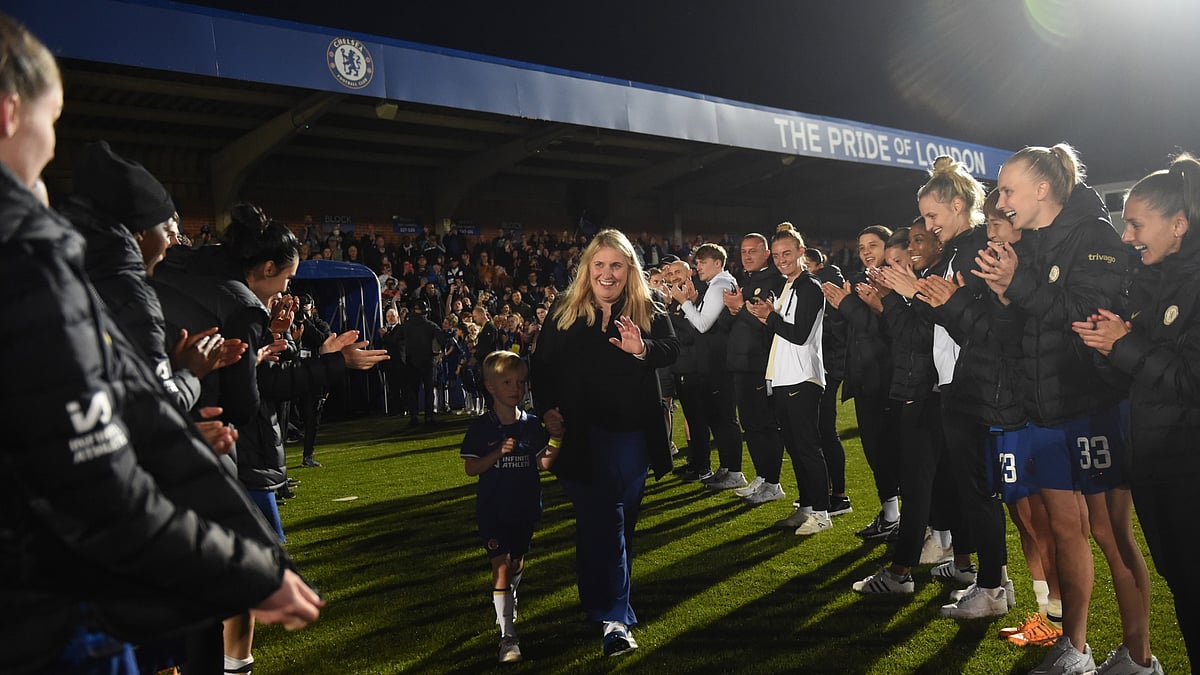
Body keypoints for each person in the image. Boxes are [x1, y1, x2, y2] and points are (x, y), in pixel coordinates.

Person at [0, 13, 324, 675]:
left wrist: (176, 380)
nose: (51, 142)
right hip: (47, 615)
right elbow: (104, 480)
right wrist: (252, 570)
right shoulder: (32, 265)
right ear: (10, 113)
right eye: (50, 118)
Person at [978, 144, 1149, 674]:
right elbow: (1015, 332)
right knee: (1065, 529)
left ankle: (1140, 657)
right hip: (1043, 408)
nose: (1002, 201)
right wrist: (1001, 294)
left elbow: (1085, 314)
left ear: (1043, 189)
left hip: (1091, 404)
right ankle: (1075, 646)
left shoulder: (1095, 236)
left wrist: (1018, 286)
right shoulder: (1027, 244)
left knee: (1109, 533)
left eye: (1008, 190)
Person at [1070, 156, 1197, 674]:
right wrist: (1104, 348)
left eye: (1136, 224)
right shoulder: (1151, 281)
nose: (1126, 237)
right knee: (1184, 587)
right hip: (1159, 463)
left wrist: (1124, 346)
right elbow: (1137, 375)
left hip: (1190, 465)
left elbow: (1191, 380)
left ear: (1179, 225)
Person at [530, 229, 678, 657]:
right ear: (587, 268)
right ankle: (616, 619)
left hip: (633, 437)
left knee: (616, 526)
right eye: (599, 265)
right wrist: (546, 411)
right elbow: (542, 367)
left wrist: (641, 348)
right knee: (604, 520)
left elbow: (671, 348)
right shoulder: (565, 307)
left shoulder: (648, 306)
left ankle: (598, 603)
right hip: (580, 437)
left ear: (629, 268)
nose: (607, 274)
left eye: (616, 265)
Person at [461, 351, 560, 664]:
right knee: (500, 565)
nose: (515, 388)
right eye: (507, 381)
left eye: (520, 382)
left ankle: (509, 597)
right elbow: (471, 468)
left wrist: (556, 439)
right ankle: (508, 637)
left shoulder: (532, 425)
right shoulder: (481, 427)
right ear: (490, 386)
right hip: (492, 509)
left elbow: (543, 464)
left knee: (515, 563)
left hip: (526, 507)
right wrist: (497, 455)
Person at [745, 223, 831, 535]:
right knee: (795, 448)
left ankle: (822, 513)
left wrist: (770, 317)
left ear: (801, 253)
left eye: (787, 254)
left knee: (807, 448)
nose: (781, 259)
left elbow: (800, 334)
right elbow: (780, 331)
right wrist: (766, 316)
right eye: (778, 254)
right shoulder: (789, 285)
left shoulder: (810, 286)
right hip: (782, 378)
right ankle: (806, 506)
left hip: (803, 378)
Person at [821, 226, 899, 540]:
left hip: (890, 381)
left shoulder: (896, 283)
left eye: (873, 245)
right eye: (861, 246)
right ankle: (890, 514)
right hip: (865, 379)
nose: (866, 251)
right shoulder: (860, 281)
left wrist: (848, 306)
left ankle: (923, 524)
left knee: (894, 453)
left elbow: (885, 334)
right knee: (874, 451)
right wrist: (839, 310)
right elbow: (850, 334)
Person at [667, 243, 744, 489]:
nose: (697, 267)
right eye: (697, 262)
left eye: (702, 263)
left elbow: (701, 325)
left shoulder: (720, 284)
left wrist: (684, 302)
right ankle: (726, 467)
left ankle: (734, 472)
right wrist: (693, 301)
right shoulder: (717, 284)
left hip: (718, 364)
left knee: (725, 419)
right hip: (714, 363)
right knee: (718, 418)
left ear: (717, 263)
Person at [724, 233, 788, 503]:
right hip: (741, 362)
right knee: (750, 424)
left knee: (764, 424)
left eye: (753, 251)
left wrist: (740, 310)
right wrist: (735, 312)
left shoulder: (774, 281)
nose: (747, 256)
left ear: (766, 254)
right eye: (743, 251)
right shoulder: (748, 280)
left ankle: (773, 483)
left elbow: (767, 323)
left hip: (759, 364)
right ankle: (762, 476)